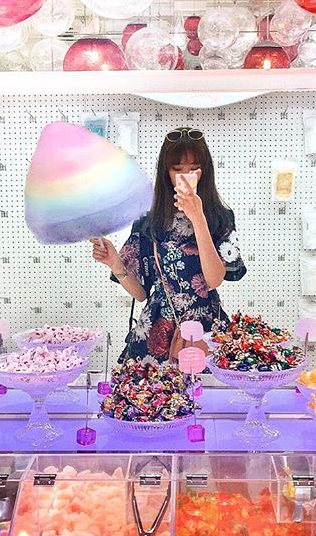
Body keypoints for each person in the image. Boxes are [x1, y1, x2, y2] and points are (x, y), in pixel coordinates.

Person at [92, 126, 246, 362]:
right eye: (177, 169)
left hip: (206, 325)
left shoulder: (220, 216)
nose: (186, 176)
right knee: (153, 395)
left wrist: (199, 219)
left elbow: (214, 280)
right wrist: (115, 264)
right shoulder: (149, 219)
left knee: (209, 394)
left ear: (205, 170)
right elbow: (141, 294)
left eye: (194, 169)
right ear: (166, 172)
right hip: (157, 324)